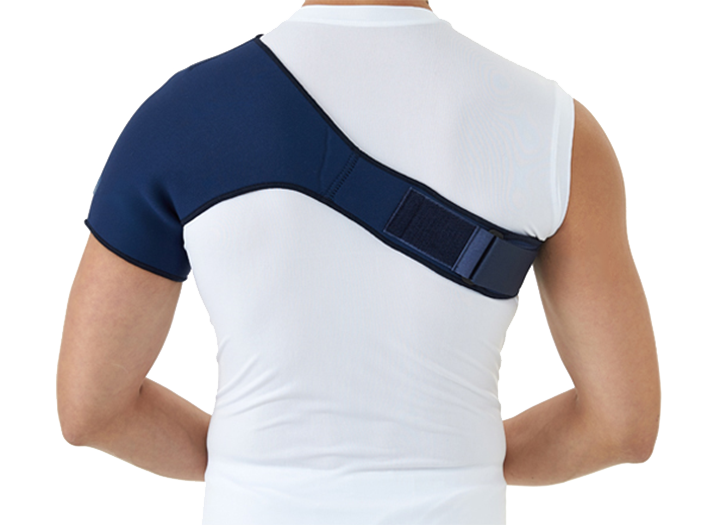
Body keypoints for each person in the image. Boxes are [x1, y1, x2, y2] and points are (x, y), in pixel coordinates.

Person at [57, 1, 661, 523]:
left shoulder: (180, 118)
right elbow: (622, 425)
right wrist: (457, 463)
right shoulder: (555, 130)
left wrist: (253, 466)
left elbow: (92, 410)